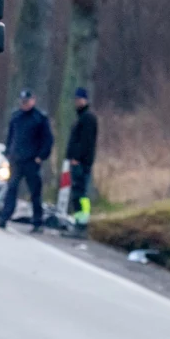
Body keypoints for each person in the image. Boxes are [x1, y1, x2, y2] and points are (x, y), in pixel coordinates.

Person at [0, 90, 54, 232]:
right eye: (23, 102)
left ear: (33, 101)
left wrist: (41, 156)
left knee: (35, 193)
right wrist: (8, 152)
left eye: (27, 102)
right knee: (11, 189)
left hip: (32, 161)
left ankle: (37, 222)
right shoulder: (16, 116)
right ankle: (4, 217)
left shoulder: (39, 118)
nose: (24, 104)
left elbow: (48, 140)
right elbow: (10, 136)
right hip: (16, 160)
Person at [63, 87, 98, 238]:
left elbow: (86, 142)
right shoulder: (81, 117)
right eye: (76, 99)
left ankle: (82, 225)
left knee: (81, 194)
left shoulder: (87, 118)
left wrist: (77, 158)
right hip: (78, 162)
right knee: (77, 194)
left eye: (79, 99)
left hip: (81, 163)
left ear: (85, 100)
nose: (77, 102)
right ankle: (78, 223)